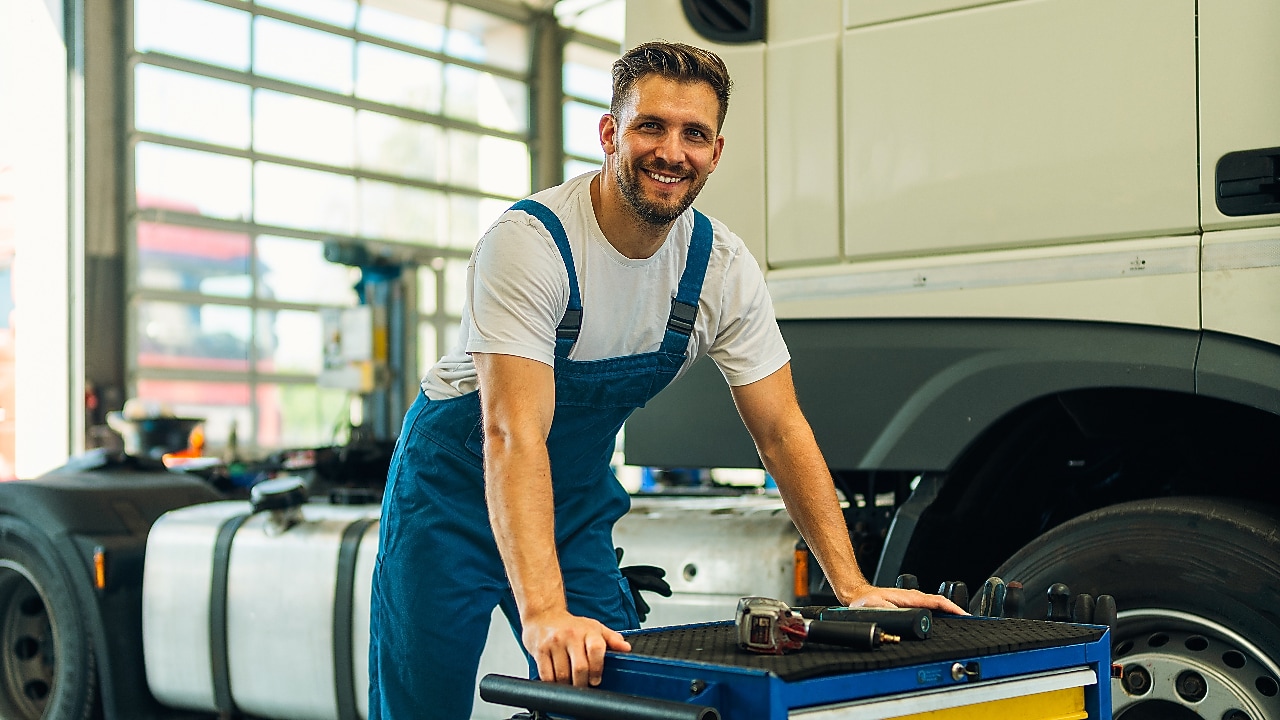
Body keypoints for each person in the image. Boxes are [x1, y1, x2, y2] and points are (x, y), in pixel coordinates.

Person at [367, 41, 965, 719]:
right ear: (609, 133)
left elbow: (780, 429)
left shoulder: (719, 270)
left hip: (570, 503)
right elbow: (512, 431)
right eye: (650, 126)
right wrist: (544, 614)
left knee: (625, 699)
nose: (671, 151)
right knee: (421, 700)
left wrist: (852, 586)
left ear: (716, 151)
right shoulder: (530, 243)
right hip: (451, 491)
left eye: (694, 134)